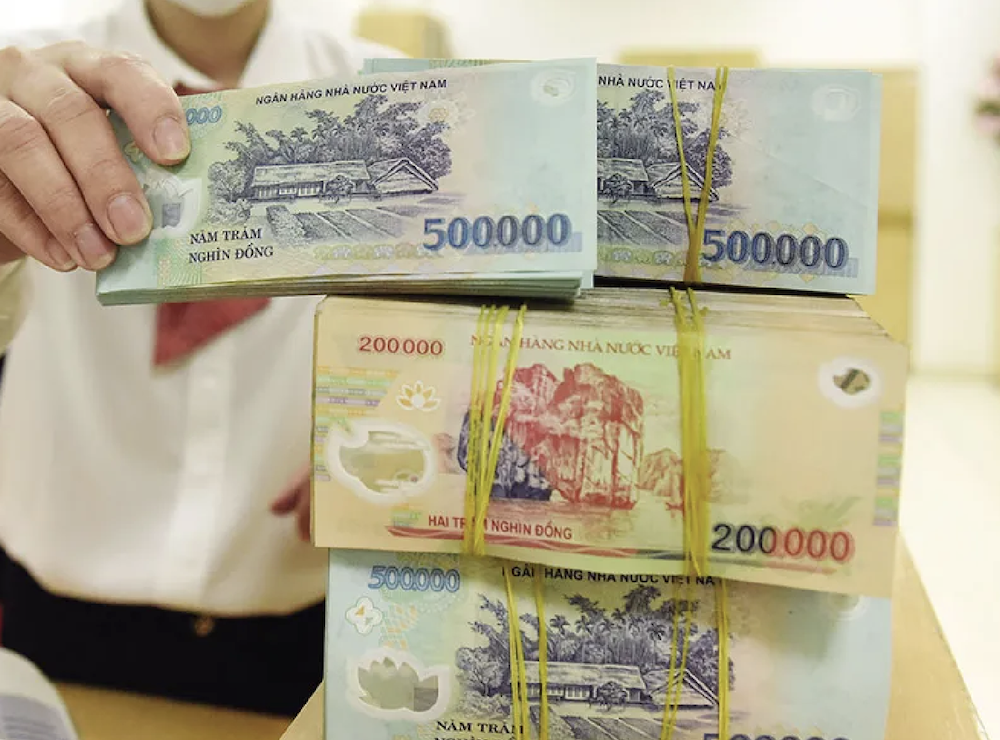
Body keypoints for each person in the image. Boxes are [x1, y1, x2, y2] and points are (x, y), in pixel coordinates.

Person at [0, 0, 401, 717]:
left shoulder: (400, 99)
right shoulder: (20, 89)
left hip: (306, 630)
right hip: (51, 628)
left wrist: (416, 412)